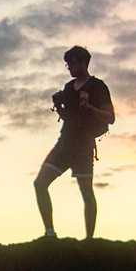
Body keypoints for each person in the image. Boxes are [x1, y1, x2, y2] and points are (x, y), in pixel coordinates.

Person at [34, 46, 114, 239]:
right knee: (40, 183)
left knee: (86, 191)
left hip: (84, 144)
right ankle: (50, 232)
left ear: (83, 63)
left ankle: (89, 239)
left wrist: (89, 107)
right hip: (65, 141)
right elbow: (67, 117)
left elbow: (111, 117)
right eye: (67, 64)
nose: (69, 68)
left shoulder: (98, 86)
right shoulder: (69, 87)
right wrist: (59, 106)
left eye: (72, 64)